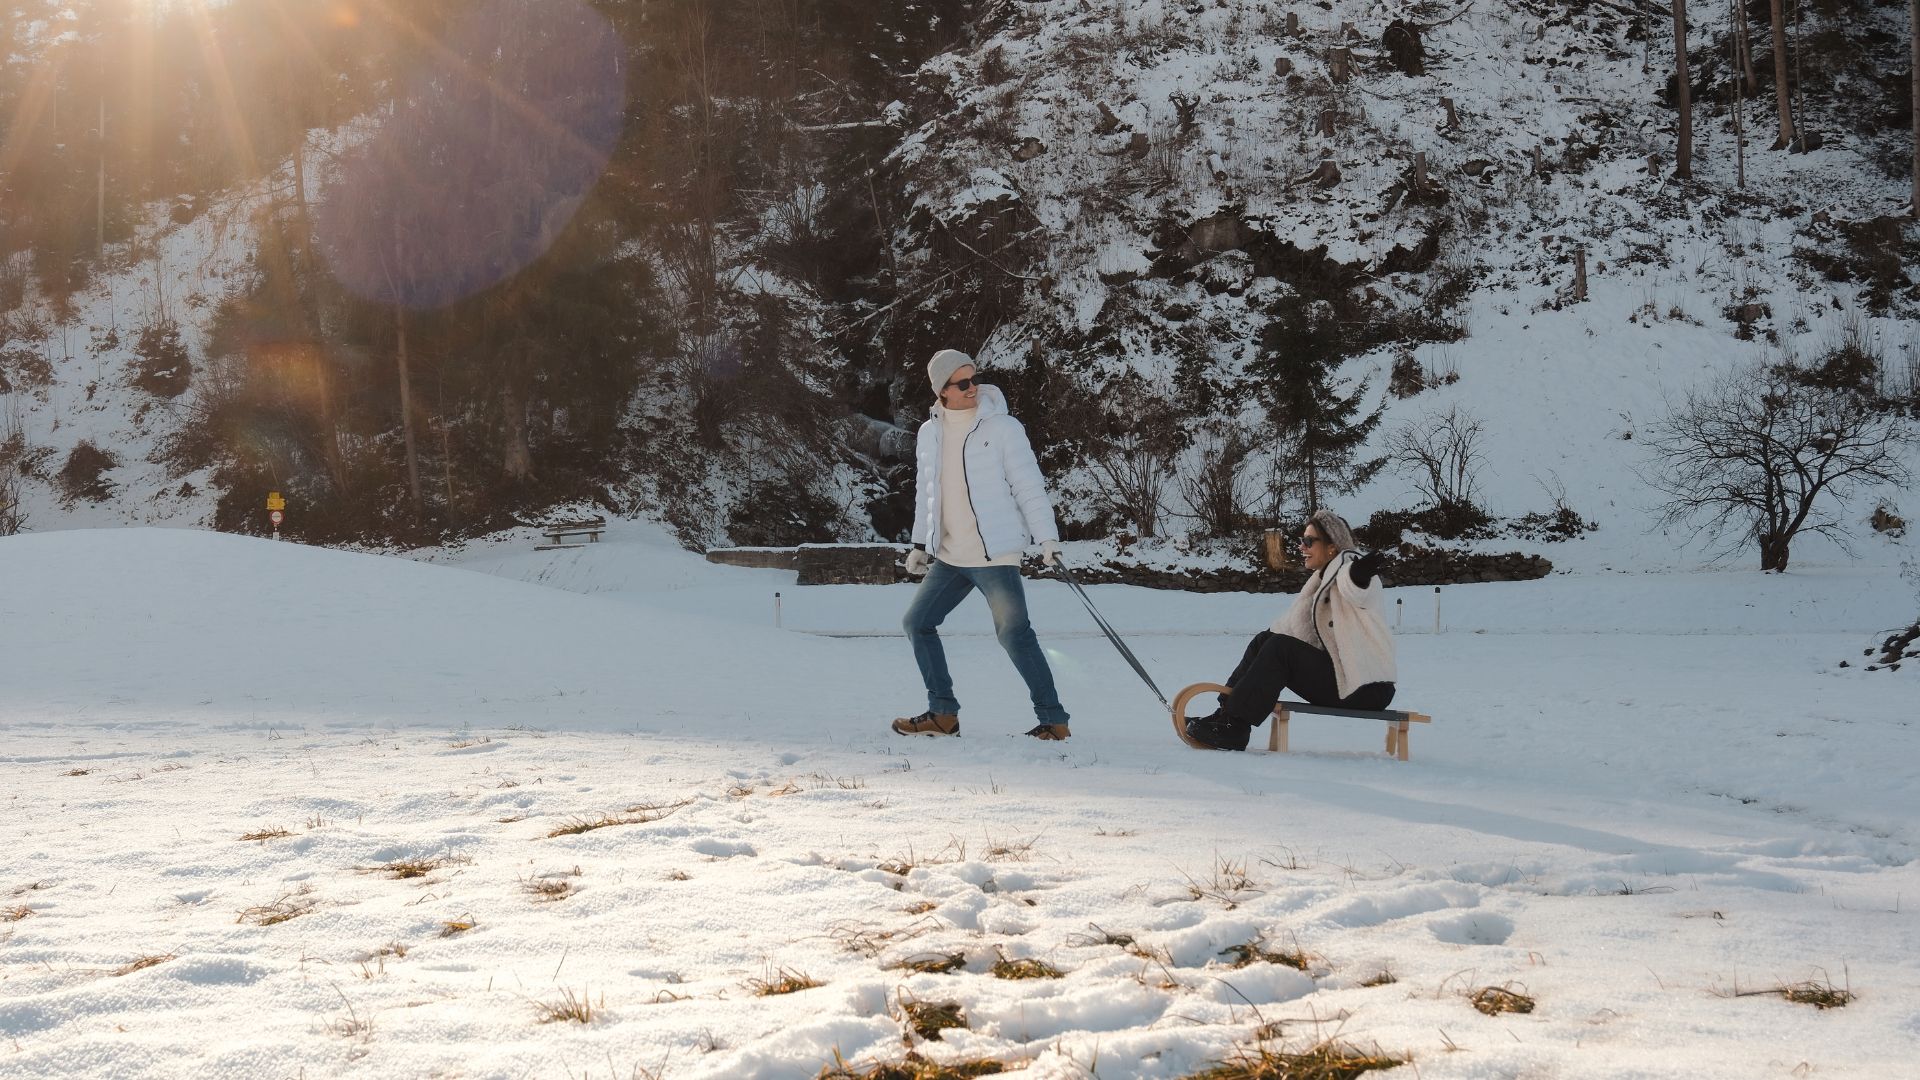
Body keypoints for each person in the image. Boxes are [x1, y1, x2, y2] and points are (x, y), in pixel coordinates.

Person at [893, 349, 1071, 741]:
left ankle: (1054, 720)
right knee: (917, 623)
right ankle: (942, 714)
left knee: (1014, 633)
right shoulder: (930, 433)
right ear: (943, 391)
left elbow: (1028, 485)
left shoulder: (1002, 427)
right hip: (951, 556)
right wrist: (921, 543)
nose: (972, 387)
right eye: (962, 383)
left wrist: (1048, 537)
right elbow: (928, 493)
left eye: (973, 378)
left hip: (995, 555)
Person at [1184, 509, 1396, 751]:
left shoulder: (1352, 569)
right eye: (1301, 540)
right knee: (1265, 640)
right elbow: (1290, 629)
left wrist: (1359, 576)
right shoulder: (1323, 578)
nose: (1301, 547)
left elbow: (1356, 589)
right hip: (1342, 679)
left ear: (1332, 547)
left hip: (1367, 688)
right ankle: (1226, 715)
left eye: (1308, 541)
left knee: (1279, 648)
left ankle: (1236, 726)